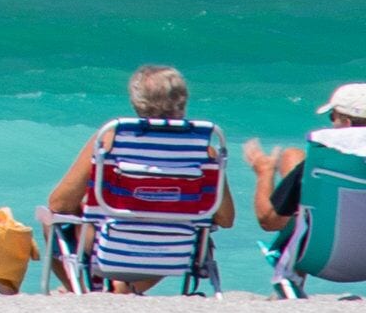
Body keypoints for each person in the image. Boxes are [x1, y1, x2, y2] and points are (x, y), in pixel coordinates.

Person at [43, 63, 232, 293]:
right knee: (181, 222)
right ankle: (126, 287)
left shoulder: (110, 140)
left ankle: (81, 291)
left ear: (137, 102)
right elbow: (226, 218)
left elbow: (59, 204)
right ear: (183, 100)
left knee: (49, 217)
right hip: (174, 250)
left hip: (112, 247)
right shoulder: (203, 150)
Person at [245, 83, 366, 237]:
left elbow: (270, 221)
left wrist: (265, 173)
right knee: (292, 155)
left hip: (326, 249)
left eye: (332, 117)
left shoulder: (321, 166)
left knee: (296, 164)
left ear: (346, 125)